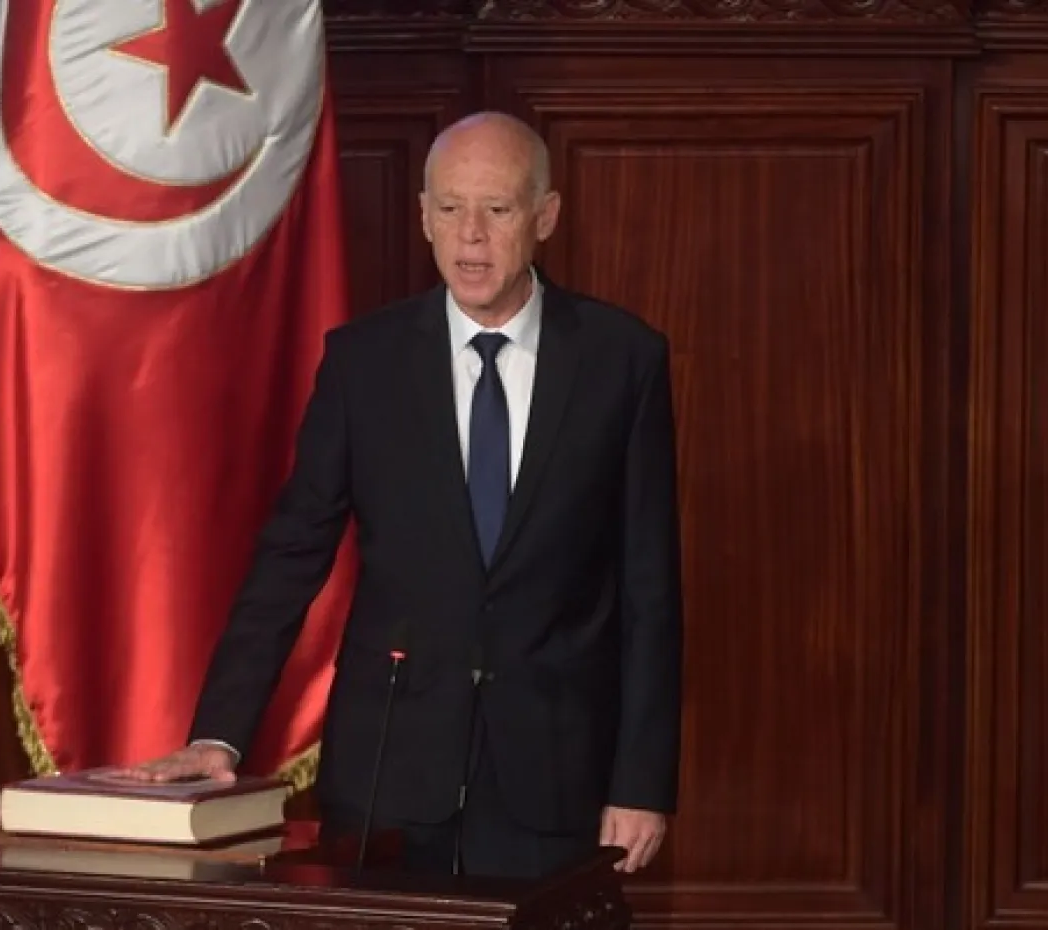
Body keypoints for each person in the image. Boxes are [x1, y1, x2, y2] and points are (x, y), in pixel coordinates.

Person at [119, 111, 682, 879]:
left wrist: (641, 782)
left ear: (545, 216)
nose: (471, 236)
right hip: (390, 776)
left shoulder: (623, 361)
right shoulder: (364, 365)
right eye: (450, 209)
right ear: (423, 217)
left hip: (555, 781)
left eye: (498, 209)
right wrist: (220, 734)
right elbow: (291, 557)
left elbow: (650, 592)